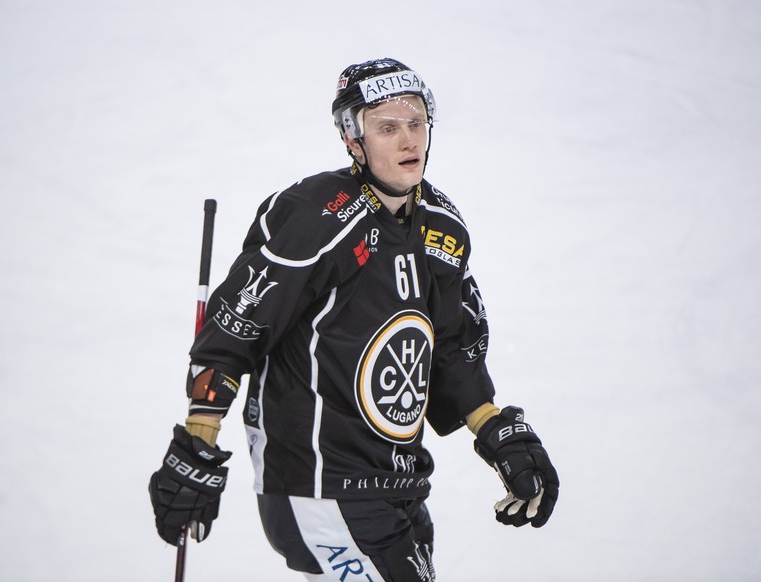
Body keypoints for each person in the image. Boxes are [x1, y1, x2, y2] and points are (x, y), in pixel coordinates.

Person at [149, 58, 560, 581]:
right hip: (318, 487)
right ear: (353, 139)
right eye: (387, 127)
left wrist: (496, 429)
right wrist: (197, 440)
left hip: (398, 488)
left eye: (416, 122)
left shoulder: (442, 227)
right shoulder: (316, 214)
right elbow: (235, 331)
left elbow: (450, 348)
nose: (408, 138)